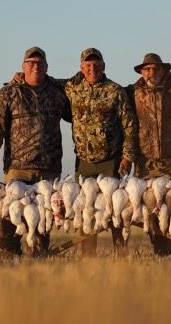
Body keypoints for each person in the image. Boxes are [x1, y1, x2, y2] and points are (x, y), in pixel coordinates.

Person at [0, 46, 72, 256]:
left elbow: (80, 87)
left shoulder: (58, 91)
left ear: (47, 67)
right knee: (11, 214)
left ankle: (38, 254)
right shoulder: (9, 92)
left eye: (40, 63)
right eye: (31, 63)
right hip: (18, 166)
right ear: (23, 67)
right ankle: (8, 254)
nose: (35, 67)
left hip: (48, 166)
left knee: (43, 216)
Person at [64, 48, 138, 256]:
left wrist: (127, 157)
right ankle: (88, 255)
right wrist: (20, 77)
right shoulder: (71, 88)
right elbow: (47, 82)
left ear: (104, 66)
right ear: (81, 68)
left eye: (96, 65)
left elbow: (129, 125)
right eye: (87, 65)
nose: (92, 68)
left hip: (111, 161)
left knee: (115, 206)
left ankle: (121, 253)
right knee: (86, 206)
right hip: (84, 162)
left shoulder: (115, 91)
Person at [127, 53, 171, 255]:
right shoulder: (132, 92)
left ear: (164, 70)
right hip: (145, 162)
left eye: (156, 68)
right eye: (147, 69)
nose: (151, 73)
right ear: (141, 72)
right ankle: (158, 248)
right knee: (149, 206)